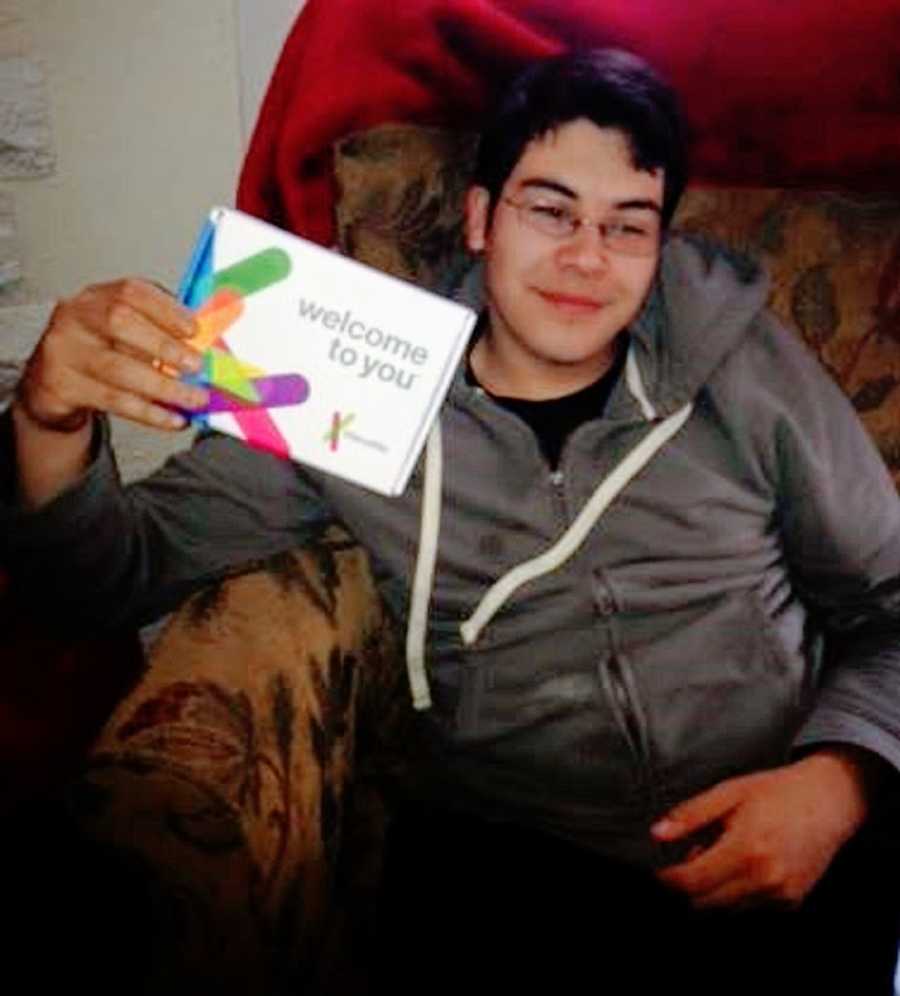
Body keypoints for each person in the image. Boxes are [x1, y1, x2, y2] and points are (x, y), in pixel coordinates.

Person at [4, 49, 900, 992]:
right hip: (517, 859)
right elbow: (107, 574)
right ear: (479, 218)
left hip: (789, 823)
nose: (586, 258)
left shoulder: (744, 365)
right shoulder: (350, 375)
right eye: (549, 210)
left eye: (627, 227)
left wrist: (839, 783)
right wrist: (48, 417)